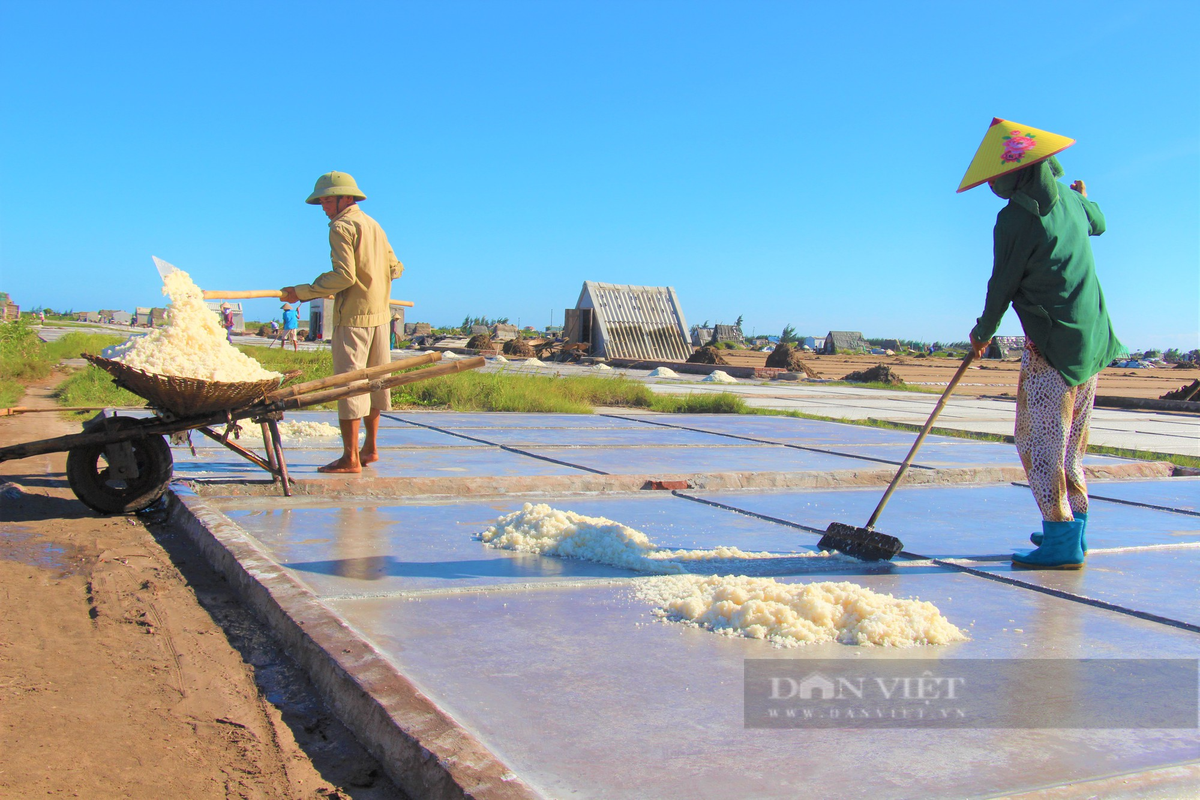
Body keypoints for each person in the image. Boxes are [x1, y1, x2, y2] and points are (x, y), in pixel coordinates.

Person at [959, 119, 1124, 570]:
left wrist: (983, 332)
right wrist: (1084, 196)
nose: (992, 183)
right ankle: (1073, 528)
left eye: (998, 174)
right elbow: (1100, 223)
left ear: (1020, 173)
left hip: (1053, 347)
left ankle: (1060, 539)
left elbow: (1003, 284)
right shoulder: (1071, 200)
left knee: (1038, 443)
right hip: (1091, 339)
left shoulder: (1015, 219)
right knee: (1071, 445)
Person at [282, 171, 403, 474]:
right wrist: (373, 279)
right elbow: (396, 268)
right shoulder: (373, 225)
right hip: (380, 316)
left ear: (345, 198)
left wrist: (302, 292)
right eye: (321, 202)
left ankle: (350, 458)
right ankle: (370, 448)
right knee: (376, 383)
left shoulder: (341, 226)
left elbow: (344, 276)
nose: (323, 207)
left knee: (349, 386)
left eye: (327, 201)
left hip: (353, 319)